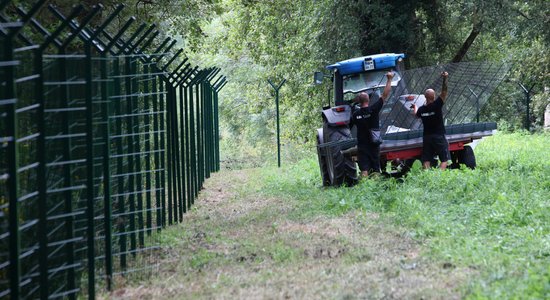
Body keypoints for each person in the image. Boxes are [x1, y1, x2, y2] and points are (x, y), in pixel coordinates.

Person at [351, 71, 394, 177]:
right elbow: (384, 95)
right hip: (374, 144)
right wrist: (389, 79)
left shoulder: (356, 114)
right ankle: (375, 187)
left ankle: (365, 187)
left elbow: (350, 126)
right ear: (369, 100)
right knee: (375, 169)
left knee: (364, 169)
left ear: (359, 102)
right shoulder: (373, 110)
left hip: (362, 145)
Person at [411, 71, 449, 170]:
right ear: (434, 96)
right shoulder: (437, 105)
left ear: (425, 97)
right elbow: (444, 92)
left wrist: (415, 107)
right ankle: (438, 178)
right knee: (444, 159)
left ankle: (427, 177)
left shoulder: (421, 110)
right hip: (438, 136)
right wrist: (445, 78)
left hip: (427, 137)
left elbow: (416, 115)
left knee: (426, 159)